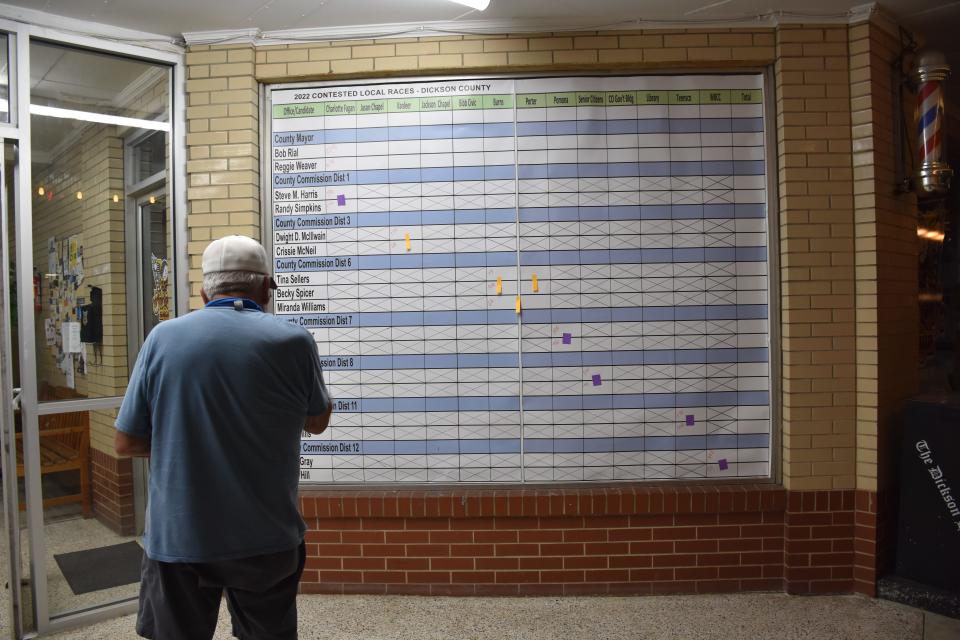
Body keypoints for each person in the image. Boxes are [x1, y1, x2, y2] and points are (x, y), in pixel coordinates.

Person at [115, 234, 332, 640]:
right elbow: (317, 422)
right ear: (266, 288)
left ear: (202, 292)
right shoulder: (294, 340)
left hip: (180, 537)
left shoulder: (163, 338)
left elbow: (126, 442)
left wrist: (187, 443)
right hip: (267, 536)